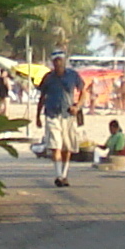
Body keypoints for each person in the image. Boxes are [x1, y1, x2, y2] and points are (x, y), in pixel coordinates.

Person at [37, 53, 86, 188]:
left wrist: (78, 106)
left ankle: (64, 175)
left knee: (67, 147)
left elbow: (83, 91)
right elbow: (42, 97)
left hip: (68, 115)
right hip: (52, 114)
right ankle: (58, 175)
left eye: (60, 60)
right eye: (55, 61)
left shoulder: (73, 75)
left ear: (64, 61)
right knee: (55, 145)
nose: (58, 63)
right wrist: (37, 116)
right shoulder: (48, 78)